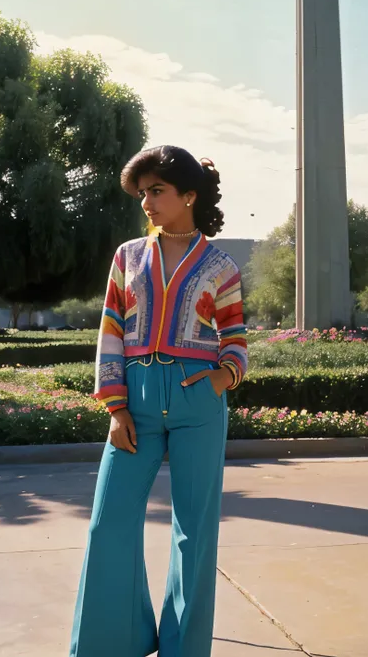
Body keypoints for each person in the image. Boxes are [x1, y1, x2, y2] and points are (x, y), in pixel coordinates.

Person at [69, 145, 248, 657]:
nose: (146, 201)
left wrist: (222, 378)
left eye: (157, 191)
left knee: (195, 536)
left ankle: (183, 651)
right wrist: (114, 405)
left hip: (198, 401)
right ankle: (107, 646)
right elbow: (110, 331)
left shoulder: (221, 265)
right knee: (108, 524)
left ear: (188, 195)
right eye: (142, 192)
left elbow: (235, 336)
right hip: (137, 402)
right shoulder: (128, 256)